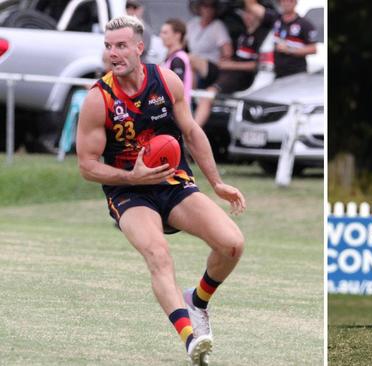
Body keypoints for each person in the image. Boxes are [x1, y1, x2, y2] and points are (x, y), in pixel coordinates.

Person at [76, 15, 246, 365]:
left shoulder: (165, 81)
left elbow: (192, 133)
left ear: (140, 47)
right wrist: (132, 179)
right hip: (129, 192)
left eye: (121, 45)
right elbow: (87, 166)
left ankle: (197, 301)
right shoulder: (98, 99)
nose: (113, 53)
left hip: (173, 181)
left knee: (232, 244)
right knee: (158, 253)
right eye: (108, 46)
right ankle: (189, 338)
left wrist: (216, 183)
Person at [192, 0, 278, 127]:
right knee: (193, 62)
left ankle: (192, 134)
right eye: (245, 14)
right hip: (226, 72)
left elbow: (256, 65)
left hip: (240, 77)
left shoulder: (262, 35)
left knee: (208, 95)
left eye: (250, 14)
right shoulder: (243, 35)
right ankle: (189, 96)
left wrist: (230, 65)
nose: (247, 17)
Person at [246, 0, 317, 78]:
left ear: (295, 2)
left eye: (290, 1)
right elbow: (252, 7)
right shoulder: (275, 18)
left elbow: (313, 49)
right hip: (278, 72)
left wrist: (289, 49)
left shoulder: (304, 24)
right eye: (283, 1)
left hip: (297, 73)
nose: (286, 3)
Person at [187, 0, 233, 88]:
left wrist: (223, 62)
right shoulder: (192, 24)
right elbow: (181, 43)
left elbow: (228, 52)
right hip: (193, 64)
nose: (208, 9)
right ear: (199, 8)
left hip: (212, 66)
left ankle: (190, 94)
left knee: (190, 58)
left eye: (212, 7)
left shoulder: (218, 26)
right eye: (205, 6)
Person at [160, 18, 193, 108]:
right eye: (161, 32)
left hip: (177, 111)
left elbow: (176, 88)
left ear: (177, 35)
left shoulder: (178, 59)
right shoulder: (172, 57)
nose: (161, 36)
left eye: (165, 33)